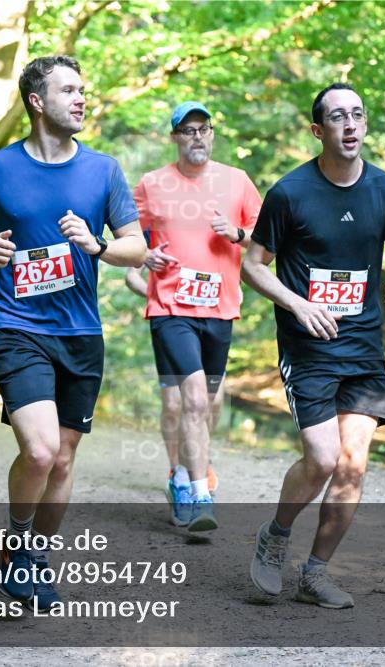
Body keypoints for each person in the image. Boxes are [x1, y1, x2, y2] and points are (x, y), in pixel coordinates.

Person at [0, 55, 145, 609]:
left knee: (62, 459)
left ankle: (35, 558)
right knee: (38, 452)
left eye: (83, 89)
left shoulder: (103, 170)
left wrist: (98, 244)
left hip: (81, 332)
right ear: (37, 102)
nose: (81, 98)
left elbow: (137, 245)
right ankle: (16, 542)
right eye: (69, 91)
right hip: (18, 325)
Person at [242, 83, 385, 609]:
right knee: (321, 459)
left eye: (358, 115)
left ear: (365, 126)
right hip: (310, 347)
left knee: (352, 465)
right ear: (318, 131)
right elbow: (252, 265)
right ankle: (276, 535)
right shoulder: (289, 193)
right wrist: (297, 304)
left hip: (364, 347)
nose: (350, 124)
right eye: (338, 117)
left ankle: (316, 573)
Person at [124, 101, 261, 532]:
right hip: (170, 309)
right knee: (186, 400)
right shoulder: (151, 185)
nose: (197, 136)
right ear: (175, 137)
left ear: (212, 134)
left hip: (220, 309)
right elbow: (125, 238)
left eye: (203, 128)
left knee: (209, 402)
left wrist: (237, 234)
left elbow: (267, 237)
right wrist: (145, 257)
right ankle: (191, 486)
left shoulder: (237, 182)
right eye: (187, 130)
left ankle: (192, 467)